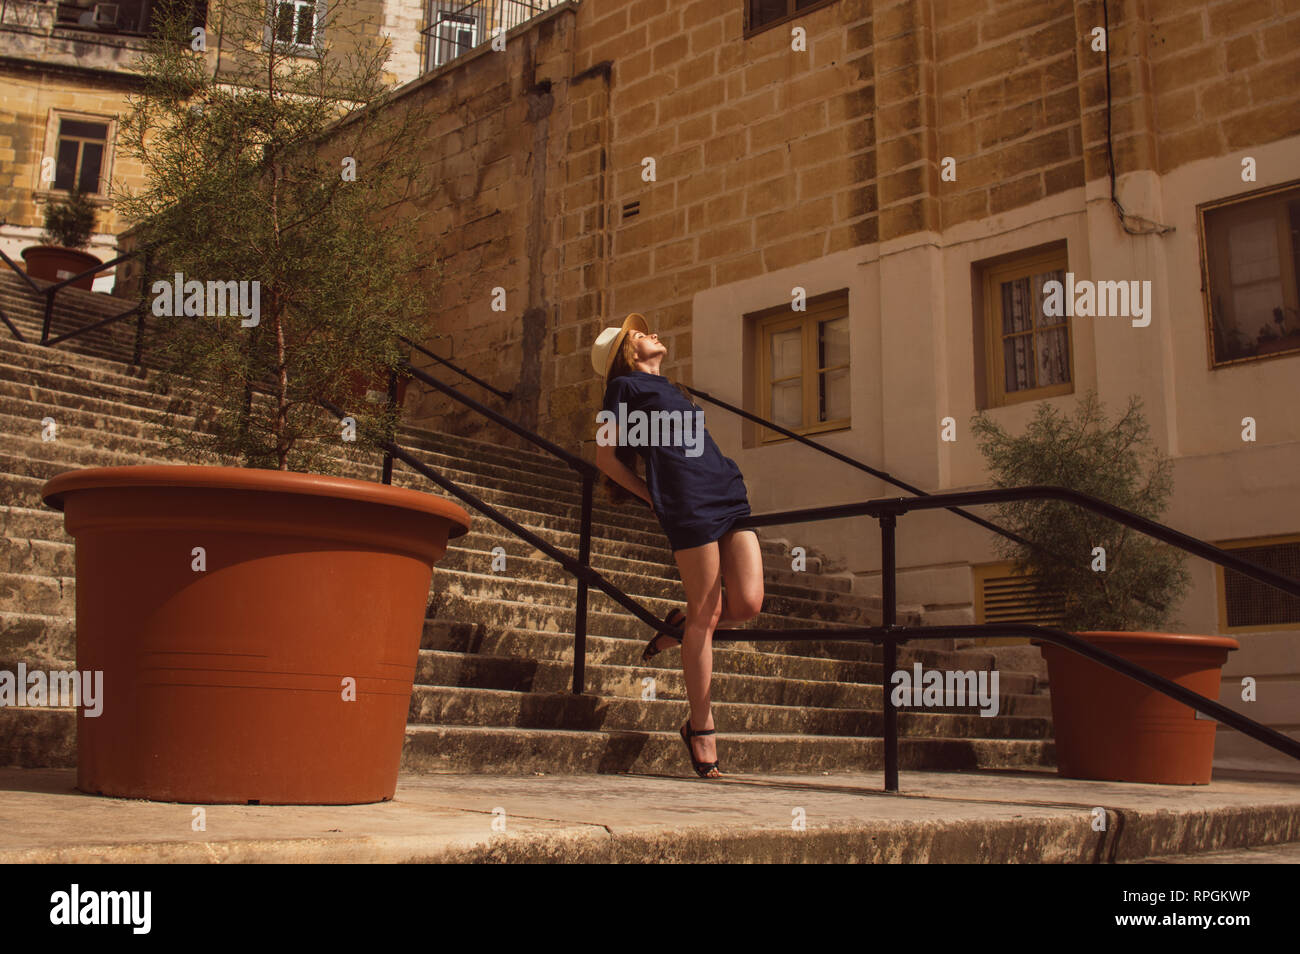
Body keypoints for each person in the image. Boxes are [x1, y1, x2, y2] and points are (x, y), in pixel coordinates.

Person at [589, 312, 765, 779]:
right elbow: (605, 457)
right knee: (707, 616)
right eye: (641, 334)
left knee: (748, 603)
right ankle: (700, 725)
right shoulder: (622, 390)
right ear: (627, 352)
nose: (652, 333)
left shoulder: (675, 390)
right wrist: (651, 496)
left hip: (725, 488)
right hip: (686, 500)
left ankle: (681, 626)